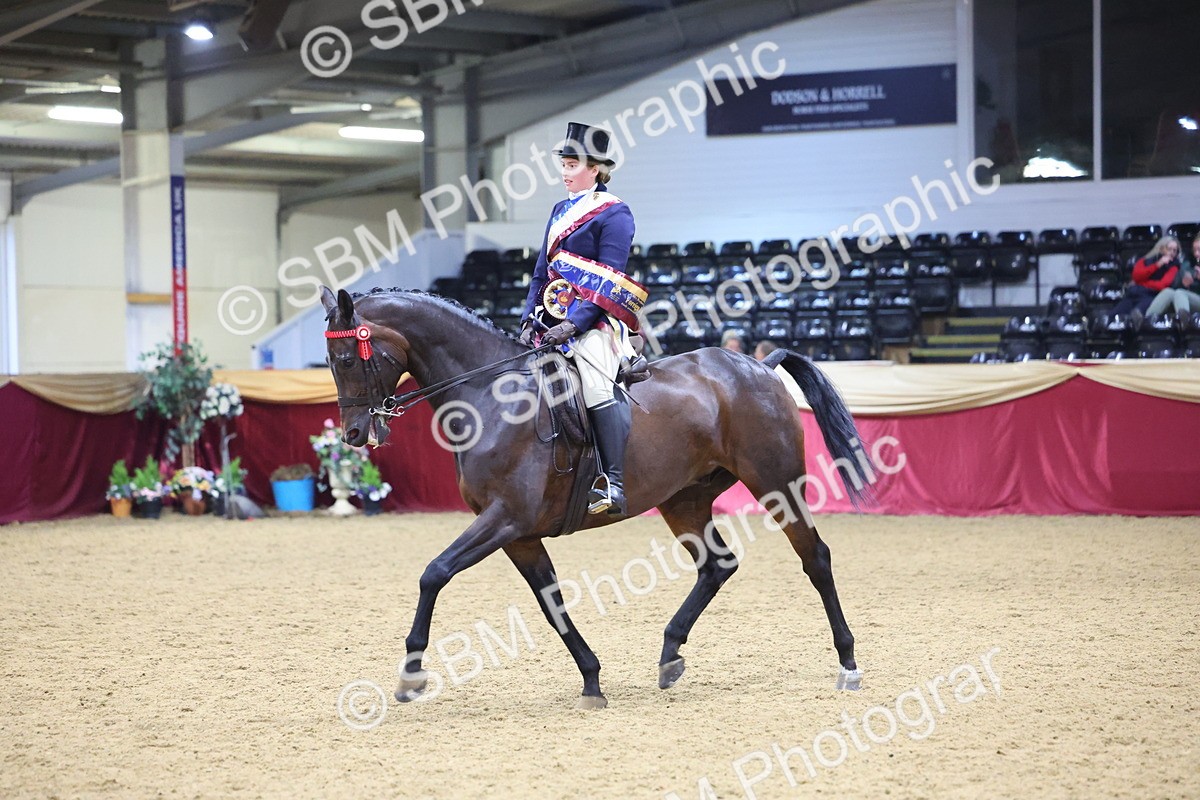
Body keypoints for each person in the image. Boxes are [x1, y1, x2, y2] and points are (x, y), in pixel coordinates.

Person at [517, 122, 648, 517]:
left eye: (571, 164)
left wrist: (574, 325)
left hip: (595, 324)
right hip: (548, 317)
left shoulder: (615, 215)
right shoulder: (559, 211)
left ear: (595, 169)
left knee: (594, 385)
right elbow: (542, 272)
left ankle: (613, 482)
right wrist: (527, 318)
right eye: (563, 163)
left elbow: (610, 282)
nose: (564, 172)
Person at [1112, 236, 1182, 318]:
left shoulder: (1174, 267)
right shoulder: (1144, 261)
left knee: (1137, 313)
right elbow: (1136, 276)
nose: (1172, 253)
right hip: (1134, 293)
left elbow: (1162, 285)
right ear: (1161, 248)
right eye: (1169, 249)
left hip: (1152, 295)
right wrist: (1157, 265)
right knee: (1113, 315)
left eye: (1175, 251)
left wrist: (1142, 283)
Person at [1144, 235, 1200, 319]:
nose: (1196, 254)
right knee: (1168, 292)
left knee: (1180, 293)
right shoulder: (1191, 265)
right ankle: (1146, 321)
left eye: (1199, 250)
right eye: (1194, 250)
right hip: (1194, 299)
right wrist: (1185, 284)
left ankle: (1186, 324)